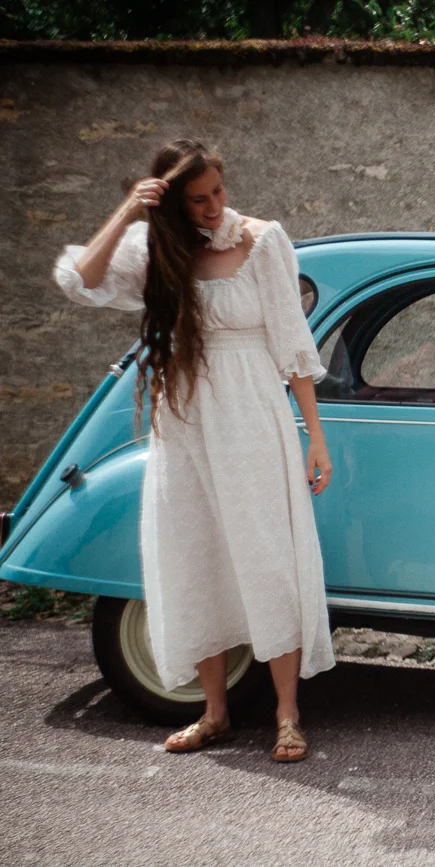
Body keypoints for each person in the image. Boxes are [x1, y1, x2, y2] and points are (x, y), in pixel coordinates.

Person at [53, 140, 335, 762]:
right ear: (173, 203)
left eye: (218, 193)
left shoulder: (263, 241)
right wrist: (129, 210)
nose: (213, 207)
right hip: (183, 420)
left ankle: (288, 714)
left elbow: (294, 344)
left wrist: (314, 436)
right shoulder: (157, 252)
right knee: (194, 555)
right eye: (198, 199)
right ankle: (215, 713)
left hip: (253, 416)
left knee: (267, 554)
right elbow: (79, 281)